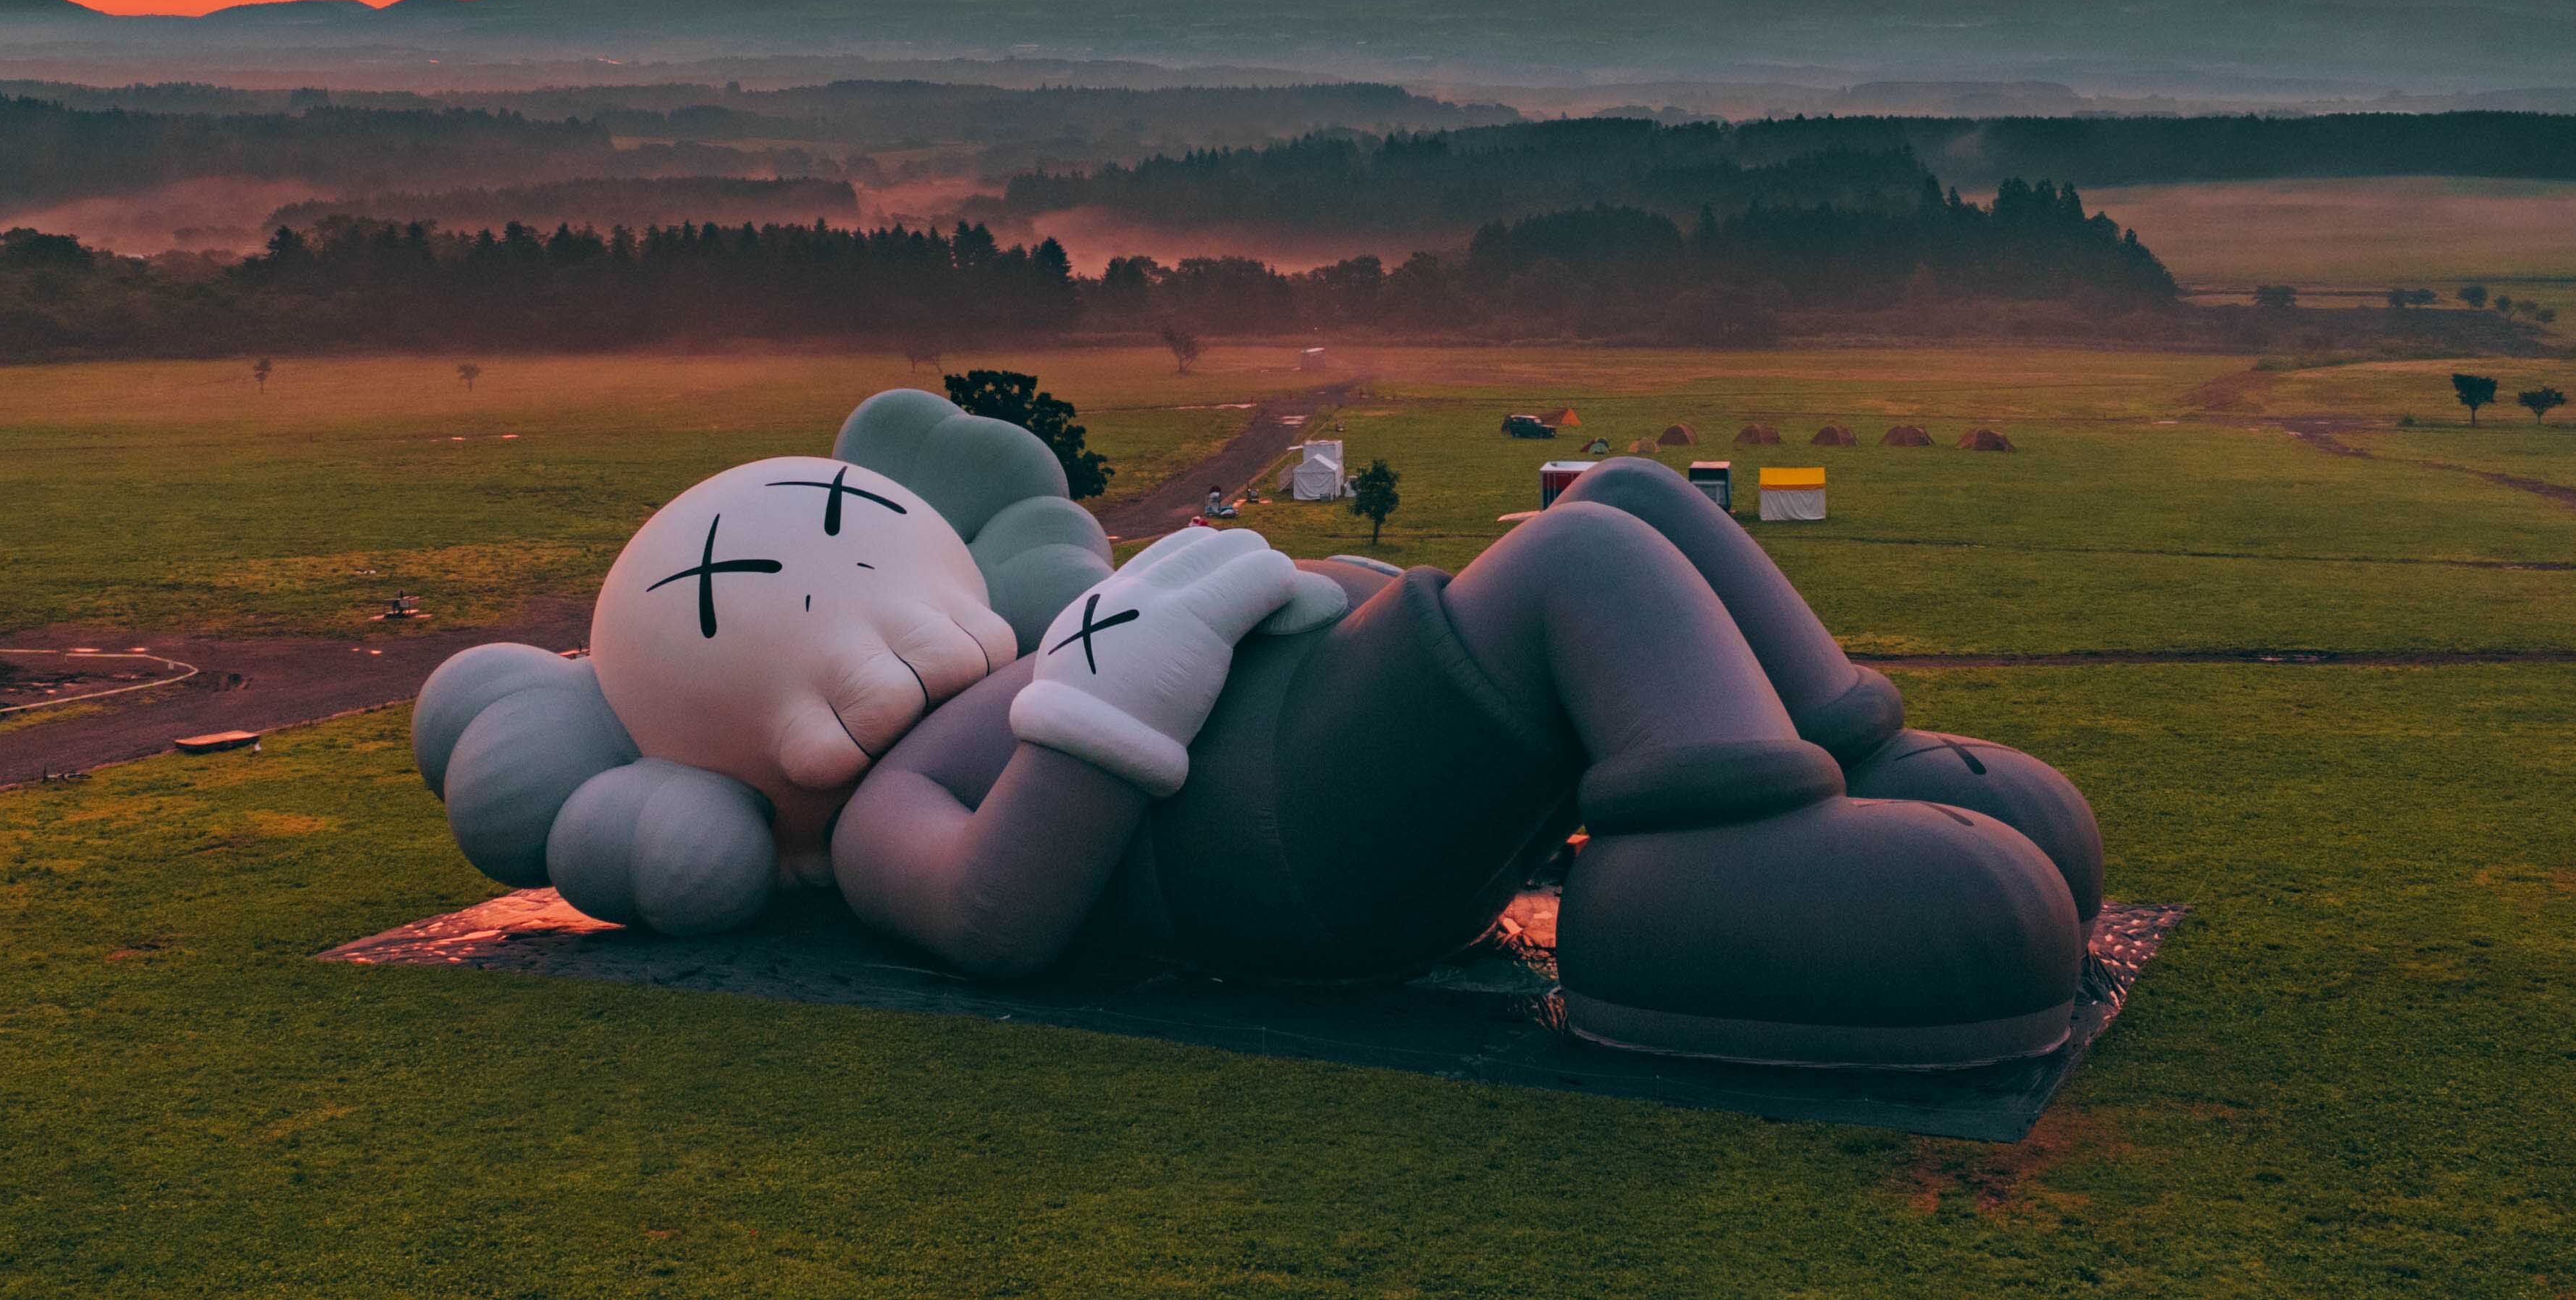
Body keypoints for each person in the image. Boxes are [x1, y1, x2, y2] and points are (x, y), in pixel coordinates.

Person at [415, 390, 2101, 1071]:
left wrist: (1314, 586)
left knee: (1630, 494)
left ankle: (1864, 762)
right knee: (1582, 556)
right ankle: (1739, 872)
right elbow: (1003, 921)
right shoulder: (866, 826)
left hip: (1310, 754)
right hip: (1284, 851)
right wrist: (1117, 683)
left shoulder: (1024, 637)